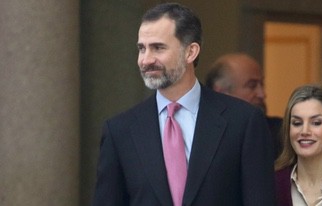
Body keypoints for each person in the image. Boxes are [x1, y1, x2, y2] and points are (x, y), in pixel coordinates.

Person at [92, 3, 276, 206]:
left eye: (158, 48)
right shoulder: (120, 131)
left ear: (191, 52)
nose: (146, 60)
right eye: (141, 48)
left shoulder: (243, 122)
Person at [205, 53, 283, 157]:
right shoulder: (201, 133)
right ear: (221, 92)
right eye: (252, 86)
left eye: (262, 84)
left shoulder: (281, 133)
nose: (262, 94)